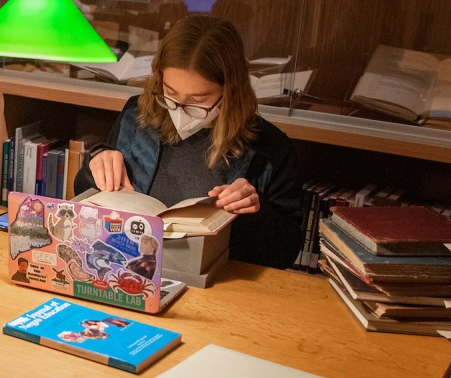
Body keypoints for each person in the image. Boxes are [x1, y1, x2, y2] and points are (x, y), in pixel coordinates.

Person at [74, 15, 304, 269]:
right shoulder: (136, 116)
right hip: (130, 269)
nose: (181, 110)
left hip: (215, 283)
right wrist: (95, 161)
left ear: (231, 90)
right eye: (170, 93)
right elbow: (87, 196)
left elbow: (285, 252)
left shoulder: (269, 148)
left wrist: (255, 209)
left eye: (198, 99)